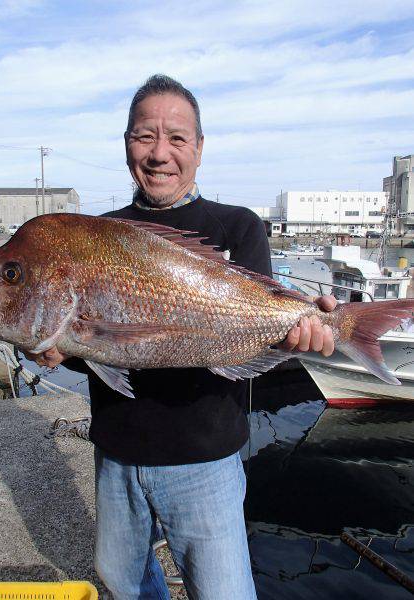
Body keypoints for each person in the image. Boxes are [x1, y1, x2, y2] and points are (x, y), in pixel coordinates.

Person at [29, 74, 336, 599]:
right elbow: (98, 345)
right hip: (118, 454)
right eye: (144, 136)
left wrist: (297, 335)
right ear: (126, 144)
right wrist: (59, 345)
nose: (159, 153)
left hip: (206, 460)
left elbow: (259, 331)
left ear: (199, 148)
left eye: (176, 138)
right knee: (124, 583)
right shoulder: (96, 234)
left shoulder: (237, 228)